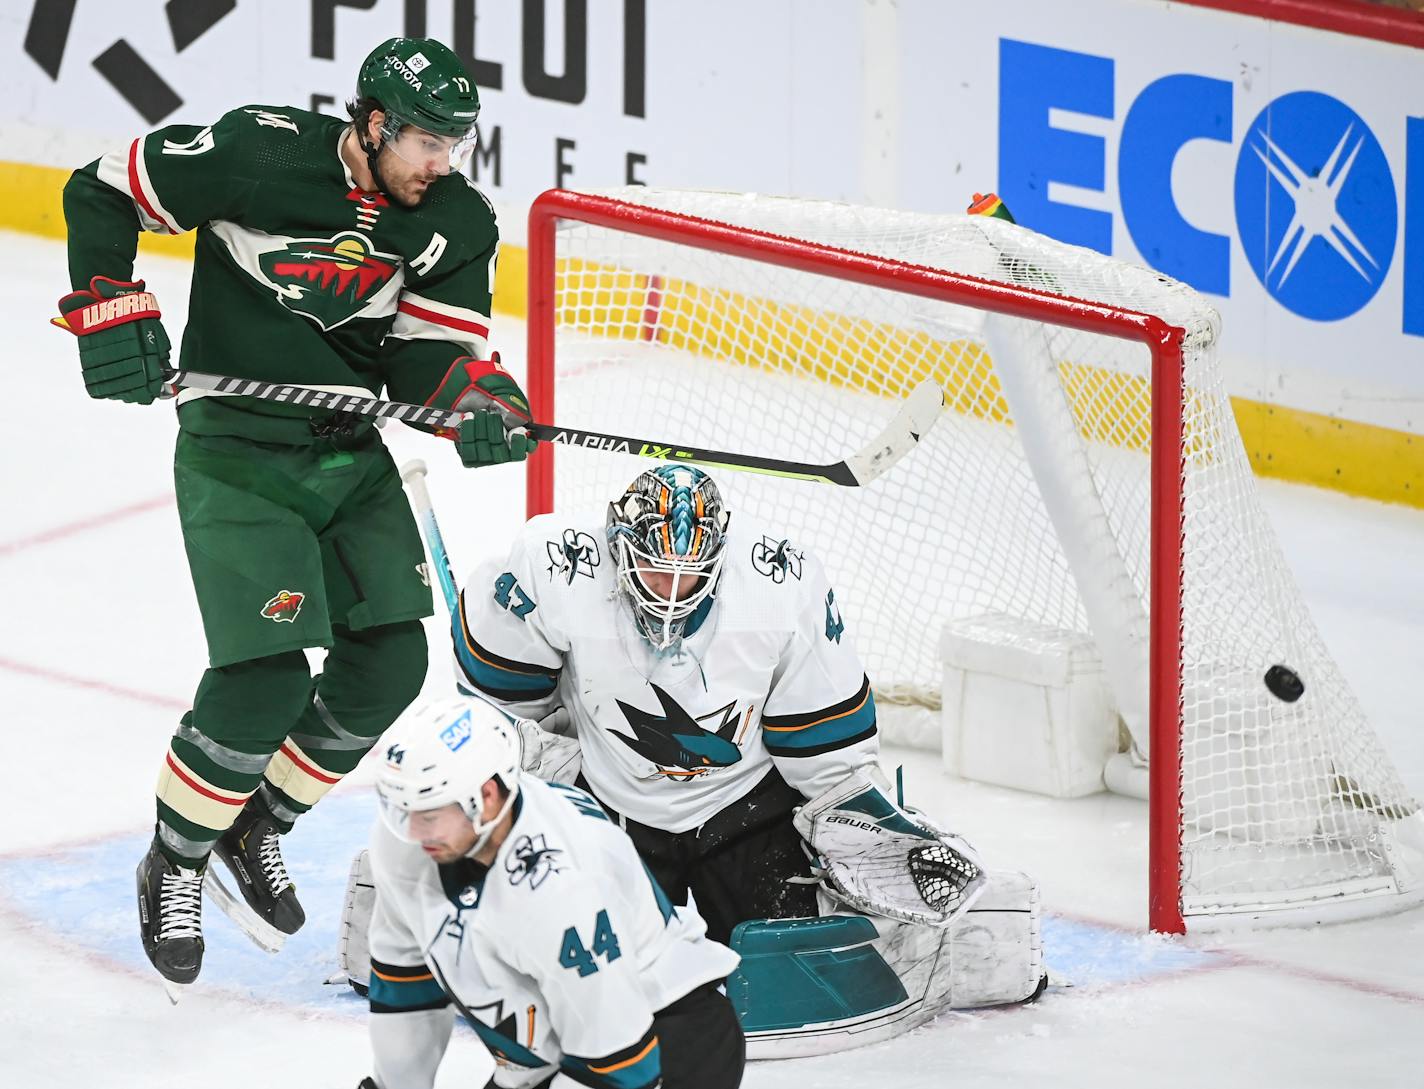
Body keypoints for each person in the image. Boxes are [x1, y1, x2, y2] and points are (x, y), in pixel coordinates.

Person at [53, 36, 535, 992]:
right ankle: (177, 858)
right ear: (371, 121)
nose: (442, 164)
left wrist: (474, 400)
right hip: (238, 455)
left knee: (392, 658)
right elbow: (98, 189)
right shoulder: (258, 154)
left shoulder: (454, 219)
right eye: (426, 144)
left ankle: (255, 822)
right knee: (264, 678)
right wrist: (110, 303)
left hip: (347, 455)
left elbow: (423, 359)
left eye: (454, 146)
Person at [413, 464, 1045, 1053]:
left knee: (785, 959)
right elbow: (499, 717)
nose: (671, 593)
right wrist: (540, 782)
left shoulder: (779, 584)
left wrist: (859, 821)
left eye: (689, 576)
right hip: (608, 811)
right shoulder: (555, 570)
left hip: (744, 809)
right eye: (655, 572)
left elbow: (824, 743)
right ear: (618, 547)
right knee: (582, 961)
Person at [356, 694, 745, 1089]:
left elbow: (620, 1057)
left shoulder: (562, 886)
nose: (413, 833)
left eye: (429, 814)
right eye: (400, 812)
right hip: (548, 1045)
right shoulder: (409, 843)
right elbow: (406, 981)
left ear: (487, 797)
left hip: (660, 1036)